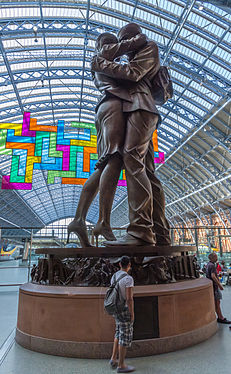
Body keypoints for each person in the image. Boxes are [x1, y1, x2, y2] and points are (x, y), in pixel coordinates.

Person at [92, 22, 170, 246]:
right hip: (136, 109)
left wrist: (101, 63)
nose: (123, 48)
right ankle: (160, 231)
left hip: (141, 107)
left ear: (133, 37)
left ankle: (140, 230)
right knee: (147, 171)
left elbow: (134, 74)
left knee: (131, 159)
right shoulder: (138, 52)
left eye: (125, 41)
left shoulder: (149, 48)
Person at [67, 32, 147, 246]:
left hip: (104, 110)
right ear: (103, 45)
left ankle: (79, 219)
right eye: (111, 43)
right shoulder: (102, 56)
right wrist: (135, 41)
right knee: (114, 159)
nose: (116, 46)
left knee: (103, 165)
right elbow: (129, 71)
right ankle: (103, 221)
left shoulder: (100, 62)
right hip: (113, 107)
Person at [110, 256, 135, 373]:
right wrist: (132, 313)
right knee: (124, 336)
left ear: (120, 264)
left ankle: (113, 358)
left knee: (118, 332)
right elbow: (129, 298)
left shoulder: (114, 276)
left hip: (115, 308)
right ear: (129, 265)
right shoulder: (128, 279)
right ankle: (121, 365)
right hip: (124, 309)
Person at [206, 252, 230, 324]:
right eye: (216, 257)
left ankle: (219, 317)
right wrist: (219, 285)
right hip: (215, 287)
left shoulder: (208, 264)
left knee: (216, 303)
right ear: (212, 258)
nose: (217, 258)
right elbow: (213, 276)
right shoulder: (212, 266)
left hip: (213, 287)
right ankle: (221, 318)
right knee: (217, 302)